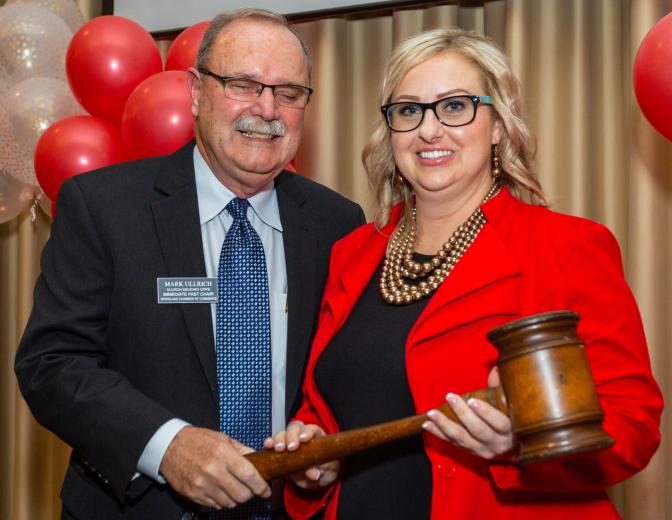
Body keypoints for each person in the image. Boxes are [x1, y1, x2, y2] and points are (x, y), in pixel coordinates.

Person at [267, 28, 663, 519]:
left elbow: (633, 425)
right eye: (408, 110)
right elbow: (331, 403)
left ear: (498, 124)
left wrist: (521, 445)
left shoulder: (569, 247)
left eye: (455, 106)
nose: (429, 130)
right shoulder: (352, 253)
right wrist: (316, 453)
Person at [14, 8, 364, 519]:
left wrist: (324, 437)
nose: (267, 109)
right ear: (197, 93)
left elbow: (344, 374)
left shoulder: (337, 223)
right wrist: (166, 446)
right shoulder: (104, 207)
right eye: (243, 84)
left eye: (289, 93)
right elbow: (52, 364)